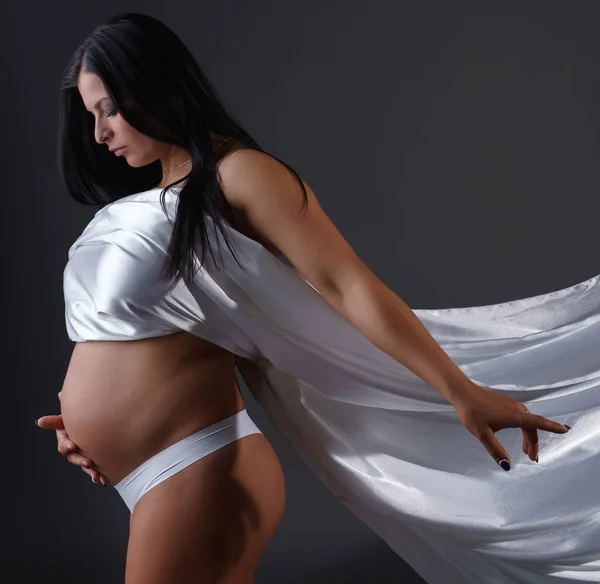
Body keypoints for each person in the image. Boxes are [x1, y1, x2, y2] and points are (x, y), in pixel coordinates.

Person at [36, 12, 574, 584]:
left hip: (197, 469)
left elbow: (347, 283)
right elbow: (127, 331)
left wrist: (460, 392)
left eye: (109, 110)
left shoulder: (238, 176)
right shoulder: (151, 202)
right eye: (92, 116)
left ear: (153, 84)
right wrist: (86, 423)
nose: (98, 135)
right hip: (150, 474)